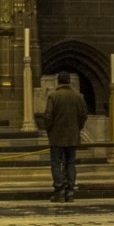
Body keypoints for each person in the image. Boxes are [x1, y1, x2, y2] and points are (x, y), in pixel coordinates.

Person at [42, 72, 88, 203]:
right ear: (69, 81)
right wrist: (77, 128)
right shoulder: (78, 97)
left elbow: (48, 116)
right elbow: (84, 115)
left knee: (56, 163)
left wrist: (49, 129)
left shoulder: (53, 96)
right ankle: (70, 191)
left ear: (58, 81)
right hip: (72, 135)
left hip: (56, 135)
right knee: (70, 163)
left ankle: (59, 191)